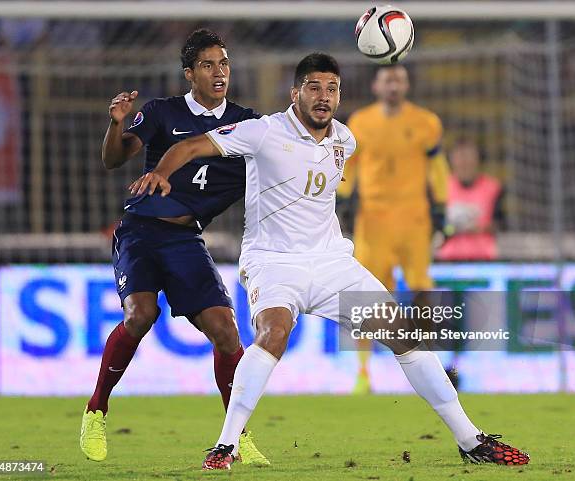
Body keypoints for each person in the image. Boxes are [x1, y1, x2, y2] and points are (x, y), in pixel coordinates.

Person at [129, 53, 529, 470]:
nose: (324, 97)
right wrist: (161, 173)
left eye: (332, 88)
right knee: (274, 332)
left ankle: (470, 439)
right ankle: (226, 445)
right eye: (314, 88)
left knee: (403, 332)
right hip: (274, 262)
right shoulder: (263, 131)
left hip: (331, 264)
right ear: (295, 93)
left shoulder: (345, 140)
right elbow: (191, 144)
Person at [80, 29, 269, 466]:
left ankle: (236, 435)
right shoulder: (162, 112)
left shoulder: (247, 122)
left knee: (226, 331)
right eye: (208, 65)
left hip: (186, 238)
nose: (219, 72)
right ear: (190, 74)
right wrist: (115, 124)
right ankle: (96, 410)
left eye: (223, 63)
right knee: (140, 314)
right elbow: (113, 159)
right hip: (141, 230)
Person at [337, 64, 450, 394]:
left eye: (399, 79)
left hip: (414, 219)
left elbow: (437, 167)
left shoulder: (426, 122)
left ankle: (427, 367)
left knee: (420, 290)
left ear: (407, 85)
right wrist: (343, 201)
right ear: (376, 85)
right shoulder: (360, 122)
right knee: (367, 296)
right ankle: (362, 372)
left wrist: (442, 207)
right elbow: (349, 166)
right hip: (372, 221)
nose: (394, 85)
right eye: (388, 79)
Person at [437, 138, 504, 261]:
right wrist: (452, 229)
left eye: (469, 157)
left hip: (484, 259)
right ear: (452, 161)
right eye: (459, 157)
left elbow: (501, 224)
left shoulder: (493, 188)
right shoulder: (442, 188)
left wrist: (477, 228)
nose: (464, 162)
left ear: (477, 159)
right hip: (448, 260)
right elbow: (437, 225)